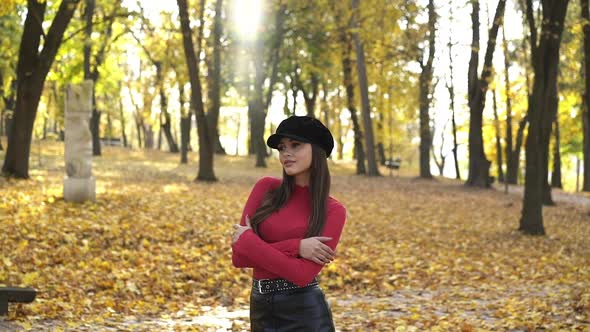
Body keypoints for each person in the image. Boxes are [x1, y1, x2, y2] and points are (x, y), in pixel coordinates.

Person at [231, 115, 347, 331]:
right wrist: (298, 247)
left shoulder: (333, 211)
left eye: (296, 145)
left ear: (317, 150)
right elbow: (239, 256)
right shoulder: (265, 188)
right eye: (282, 147)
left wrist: (249, 242)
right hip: (260, 310)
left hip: (306, 315)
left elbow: (302, 274)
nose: (286, 153)